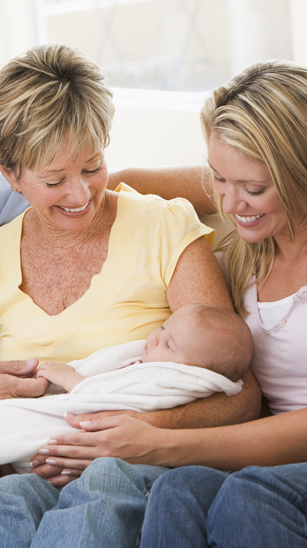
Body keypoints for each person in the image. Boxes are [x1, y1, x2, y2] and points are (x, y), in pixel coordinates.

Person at [35, 59, 307, 547]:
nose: (231, 203)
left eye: (254, 188)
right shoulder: (252, 230)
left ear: (302, 170)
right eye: (218, 178)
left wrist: (161, 444)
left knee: (250, 495)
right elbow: (122, 184)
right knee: (177, 491)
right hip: (268, 459)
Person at [0, 43, 260, 547]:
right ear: (11, 174)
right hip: (22, 468)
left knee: (104, 484)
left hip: (131, 464)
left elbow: (239, 394)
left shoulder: (162, 226)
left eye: (93, 167)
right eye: (54, 180)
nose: (81, 196)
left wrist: (130, 432)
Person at [0, 304, 252, 473]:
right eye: (163, 327)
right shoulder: (155, 360)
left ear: (197, 373)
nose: (153, 337)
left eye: (169, 345)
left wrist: (72, 380)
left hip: (80, 444)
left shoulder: (172, 381)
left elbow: (110, 401)